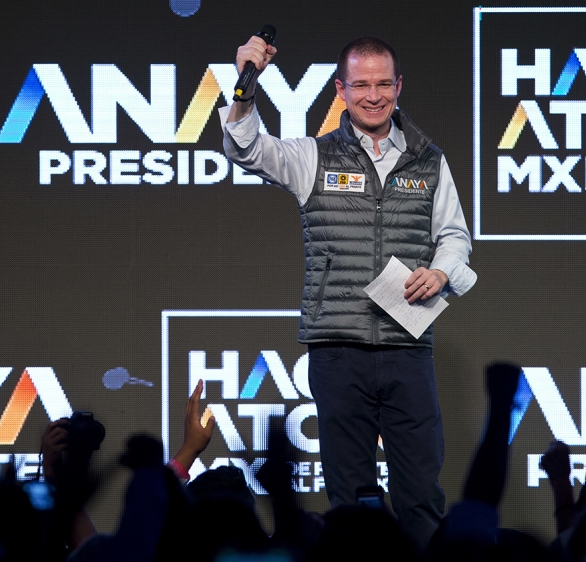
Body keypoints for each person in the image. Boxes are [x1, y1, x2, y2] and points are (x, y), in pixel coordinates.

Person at [221, 34, 476, 550]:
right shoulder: (313, 156)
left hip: (407, 345)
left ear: (399, 86)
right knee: (350, 493)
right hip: (337, 349)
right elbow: (246, 148)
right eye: (361, 85)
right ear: (340, 90)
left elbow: (454, 236)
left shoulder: (429, 160)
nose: (373, 95)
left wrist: (441, 272)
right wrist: (246, 85)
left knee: (421, 494)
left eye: (383, 84)